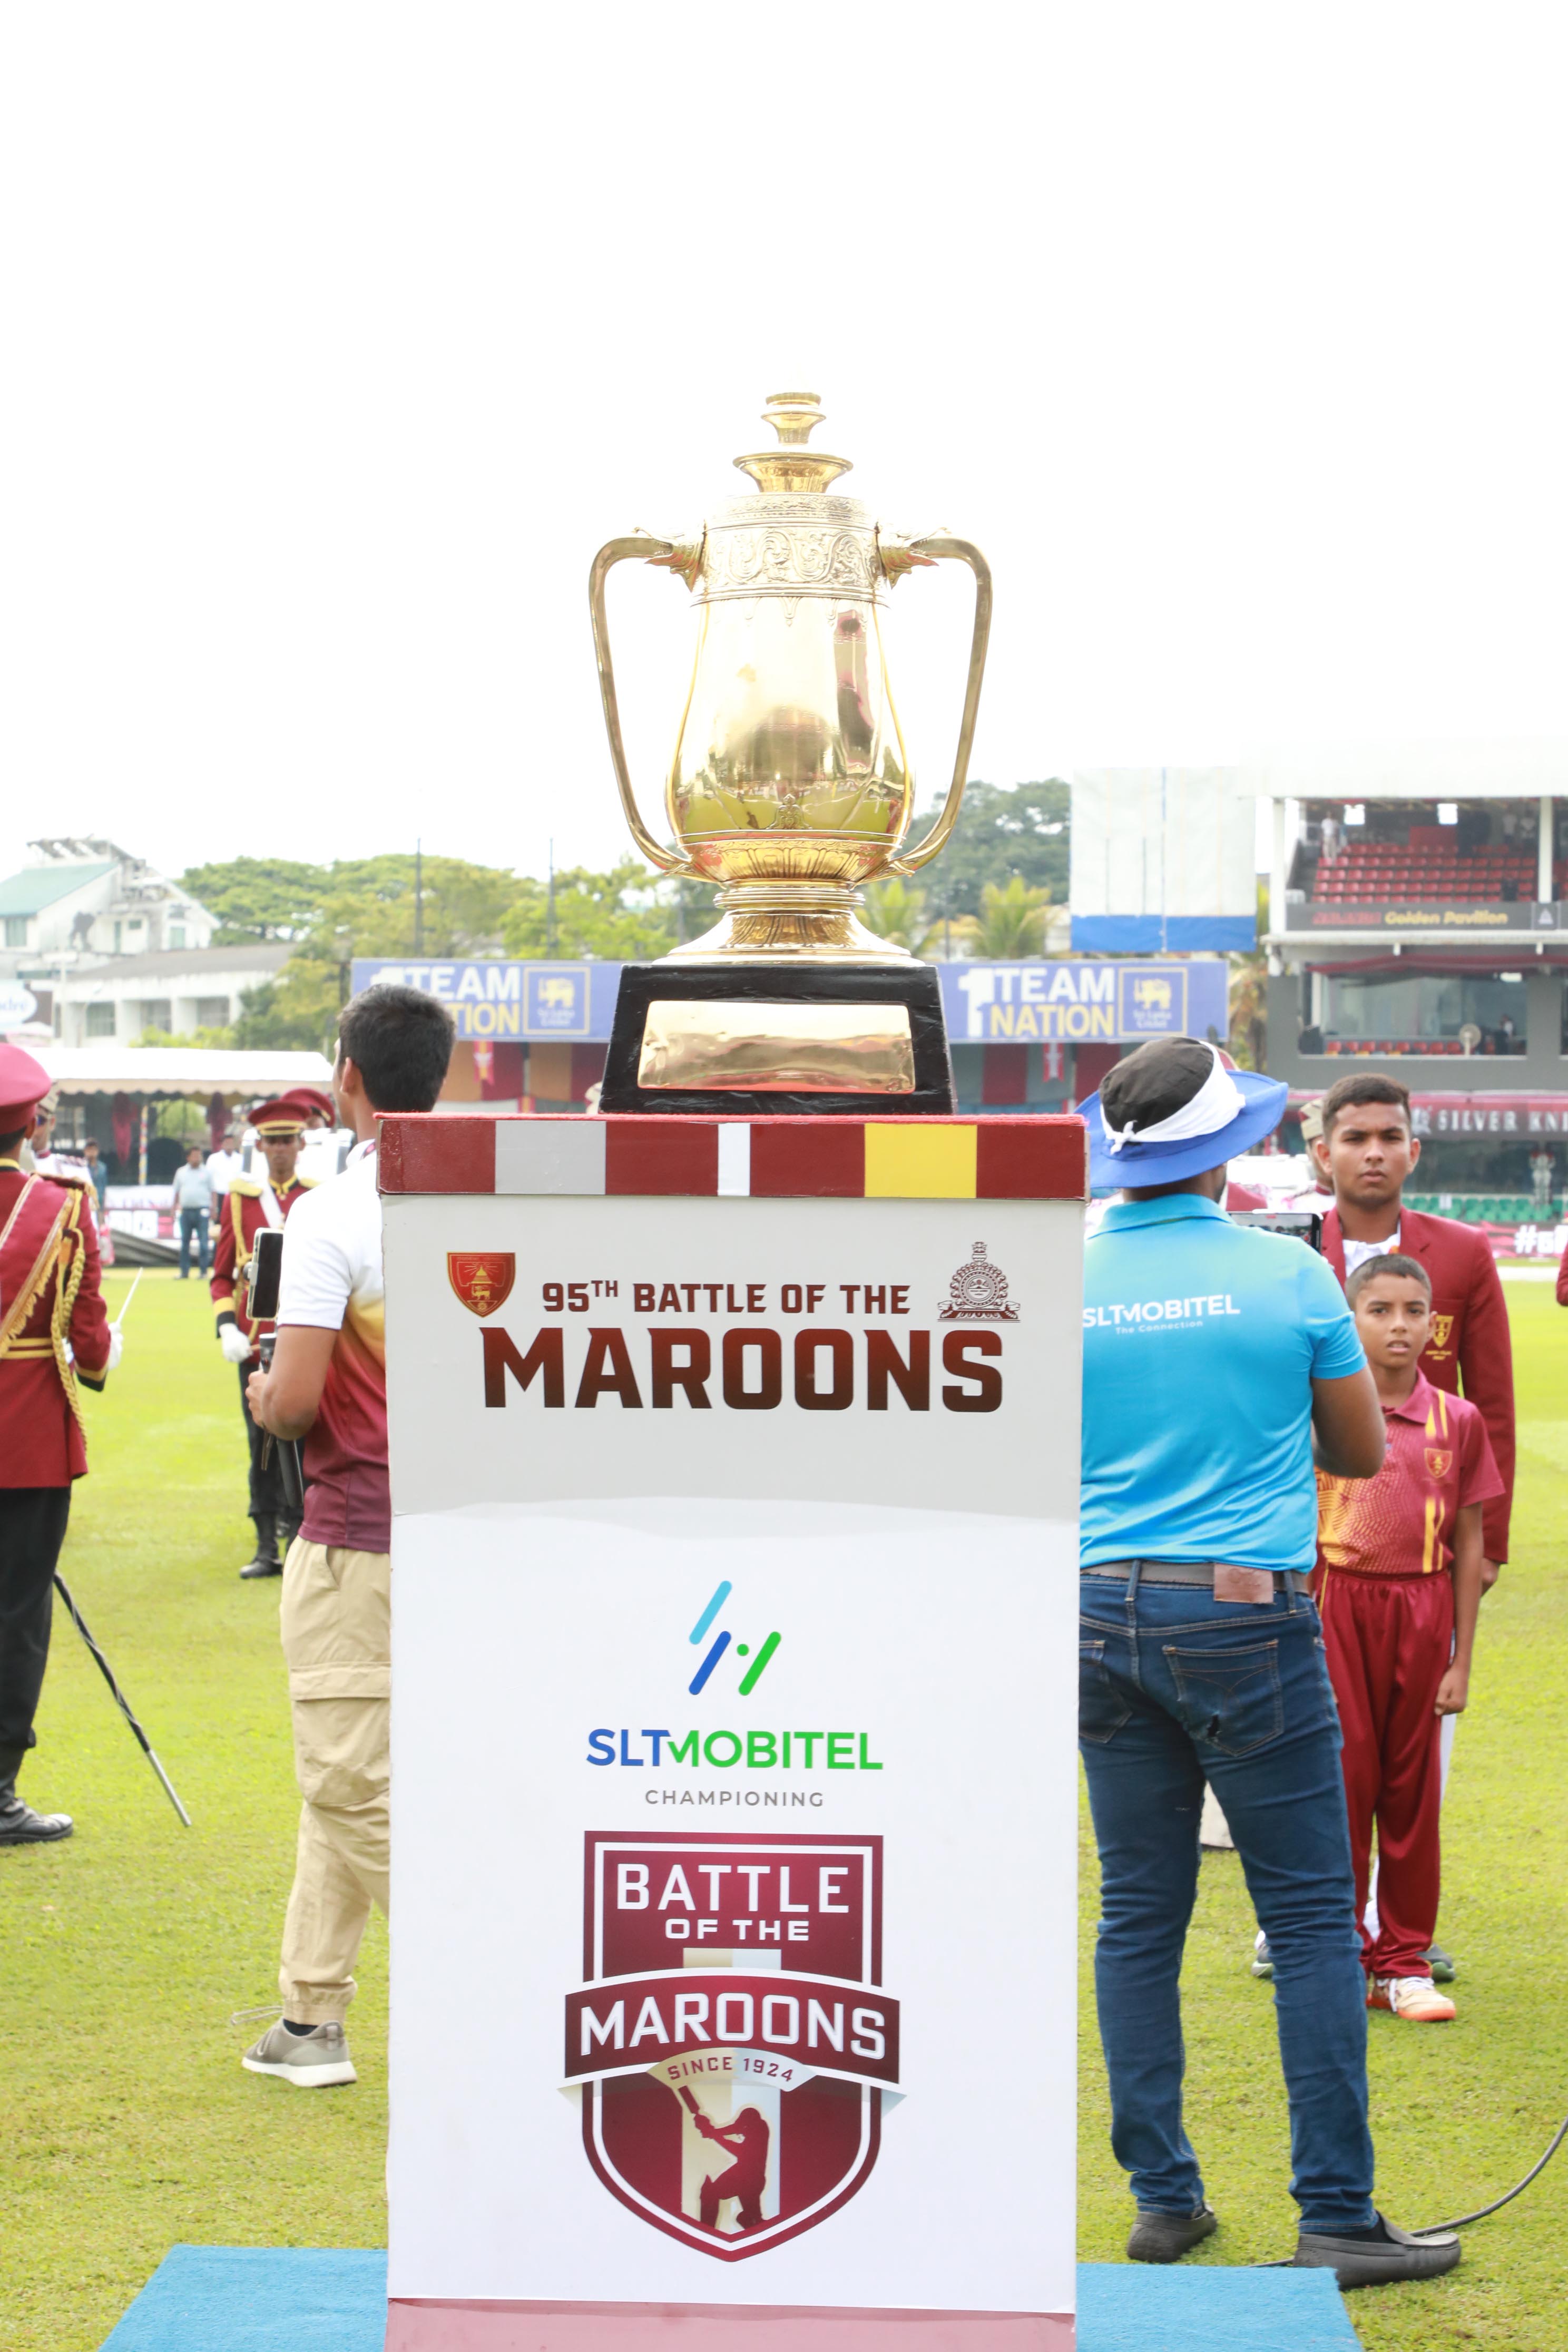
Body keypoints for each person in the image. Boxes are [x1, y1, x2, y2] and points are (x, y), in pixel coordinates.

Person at [1077, 1033, 1460, 2289]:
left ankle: (1163, 2199)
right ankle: (1337, 2213)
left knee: (1139, 1913)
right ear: (1227, 1150)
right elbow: (1358, 1451)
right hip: (1244, 1614)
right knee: (1304, 1917)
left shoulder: (1058, 1275)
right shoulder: (1289, 1275)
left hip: (1097, 1608)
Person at [241, 984, 452, 2088]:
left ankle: (494, 1964)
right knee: (351, 1769)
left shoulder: (330, 1214)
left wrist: (261, 1388)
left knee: (343, 1776)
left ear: (349, 1080)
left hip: (360, 1531)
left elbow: (292, 1403)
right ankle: (309, 2016)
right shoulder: (486, 1198)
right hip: (464, 1536)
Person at [1312, 1069, 1514, 1985]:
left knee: (1412, 1761)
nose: (1373, 1152)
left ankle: (1402, 1933)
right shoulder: (1289, 1250)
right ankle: (1311, 1924)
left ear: (1413, 1149)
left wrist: (1487, 1546)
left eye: (1389, 1136)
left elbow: (1493, 1400)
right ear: (1324, 1152)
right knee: (1325, 1755)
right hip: (1326, 1555)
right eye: (1355, 1137)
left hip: (1427, 1551)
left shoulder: (1462, 1254)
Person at [1315, 1255, 1499, 2024]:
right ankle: (1339, 1956)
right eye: (1380, 1310)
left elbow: (1470, 1540)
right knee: (1341, 1787)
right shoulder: (1320, 1412)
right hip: (1338, 1607)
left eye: (1414, 1311)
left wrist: (1461, 1659)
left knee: (1411, 1795)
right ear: (1350, 1319)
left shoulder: (1459, 1420)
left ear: (1434, 1325)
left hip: (1421, 1612)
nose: (1399, 1326)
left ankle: (1405, 1963)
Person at [0, 1042, 117, 1844]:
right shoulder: (63, 1207)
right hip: (29, 1440)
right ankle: (0, 1789)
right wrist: (103, 1362)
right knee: (16, 1616)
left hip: (31, 1439)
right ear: (32, 1124)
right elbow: (89, 1337)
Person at [210, 1102, 316, 1580]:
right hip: (255, 1342)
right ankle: (265, 1543)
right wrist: (226, 1327)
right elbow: (221, 1276)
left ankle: (300, 1537)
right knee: (262, 1443)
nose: (280, 1150)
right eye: (272, 1142)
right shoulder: (240, 1199)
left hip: (306, 1337)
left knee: (304, 1439)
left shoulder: (317, 1197)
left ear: (301, 1143)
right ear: (260, 1146)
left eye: (287, 1140)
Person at [170, 1145, 214, 1278]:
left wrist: (214, 1208)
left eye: (199, 1156)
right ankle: (184, 1272)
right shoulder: (181, 1172)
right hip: (186, 1211)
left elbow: (213, 1191)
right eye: (194, 1156)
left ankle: (203, 1272)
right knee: (185, 1243)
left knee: (204, 1243)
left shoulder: (207, 1172)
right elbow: (176, 1192)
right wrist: (173, 1208)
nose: (197, 1158)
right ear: (188, 1157)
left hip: (202, 1211)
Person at [82, 1138, 107, 1215]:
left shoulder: (102, 1168)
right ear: (85, 1151)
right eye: (89, 1150)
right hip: (85, 1205)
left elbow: (104, 1188)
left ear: (97, 1151)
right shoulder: (82, 1167)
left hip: (98, 1205)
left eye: (93, 1150)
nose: (91, 1152)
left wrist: (103, 1209)